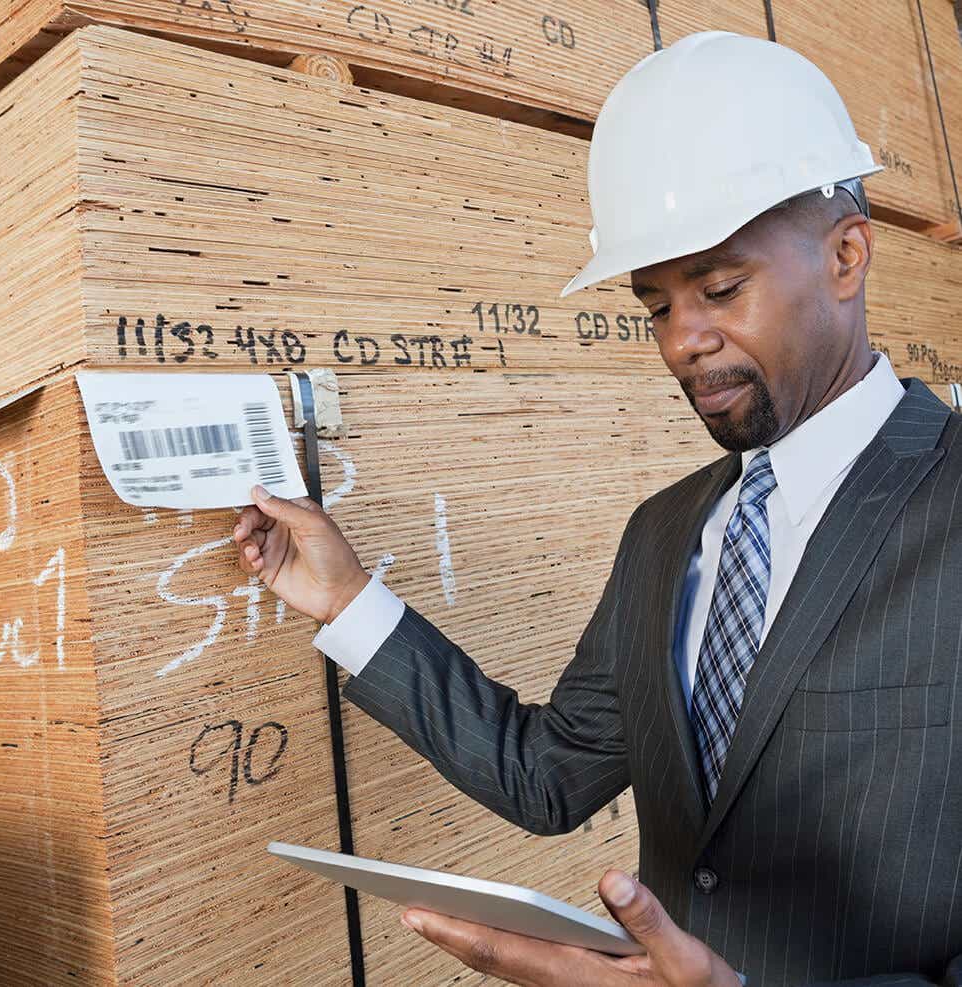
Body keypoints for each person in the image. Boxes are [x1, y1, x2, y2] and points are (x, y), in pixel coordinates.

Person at [233, 31, 962, 987]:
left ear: (846, 255)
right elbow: (551, 774)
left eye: (720, 288)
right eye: (654, 305)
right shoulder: (666, 533)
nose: (684, 342)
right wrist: (347, 602)